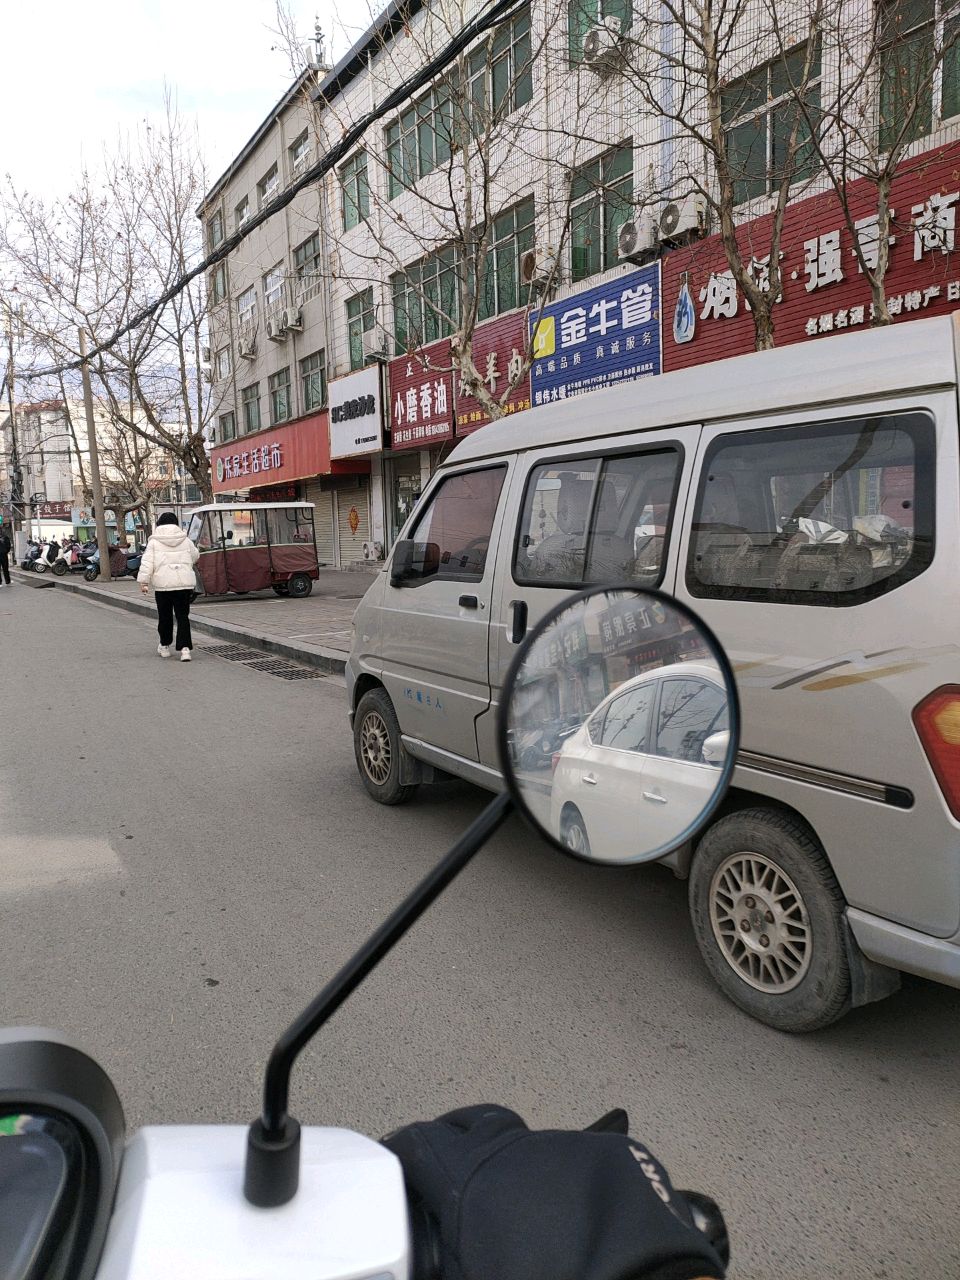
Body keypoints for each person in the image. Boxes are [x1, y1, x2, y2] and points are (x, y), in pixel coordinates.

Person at [137, 512, 200, 661]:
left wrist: (144, 582)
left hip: (163, 586)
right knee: (183, 616)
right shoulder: (185, 540)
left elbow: (147, 563)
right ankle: (185, 650)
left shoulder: (154, 542)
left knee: (165, 616)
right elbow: (195, 556)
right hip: (183, 584)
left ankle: (165, 646)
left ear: (159, 524)